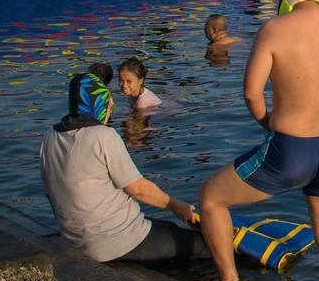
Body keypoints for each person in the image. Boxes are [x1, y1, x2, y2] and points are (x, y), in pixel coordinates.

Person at [197, 0, 319, 281]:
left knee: (210, 199)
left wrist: (267, 123)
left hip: (291, 147)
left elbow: (251, 93)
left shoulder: (274, 29)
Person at [38, 73, 204, 264]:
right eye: (109, 105)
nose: (110, 110)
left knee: (167, 228)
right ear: (99, 104)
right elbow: (138, 190)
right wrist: (178, 206)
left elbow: (51, 194)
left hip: (75, 241)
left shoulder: (49, 137)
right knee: (203, 244)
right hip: (116, 242)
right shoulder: (103, 136)